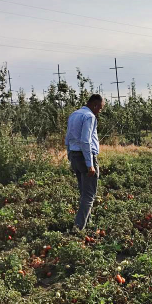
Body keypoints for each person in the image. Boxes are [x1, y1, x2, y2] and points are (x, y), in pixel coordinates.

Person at [65, 94, 105, 230]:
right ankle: (78, 229)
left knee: (84, 193)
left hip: (75, 156)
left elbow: (68, 137)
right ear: (94, 105)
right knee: (89, 195)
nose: (100, 111)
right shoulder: (89, 116)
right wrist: (90, 164)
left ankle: (88, 224)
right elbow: (85, 140)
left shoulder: (74, 115)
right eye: (100, 108)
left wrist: (70, 155)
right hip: (85, 156)